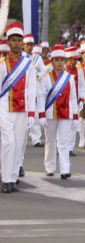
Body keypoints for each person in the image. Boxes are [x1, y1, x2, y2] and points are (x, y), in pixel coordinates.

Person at [0, 23, 38, 193]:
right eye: (13, 40)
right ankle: (6, 179)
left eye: (19, 40)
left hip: (22, 110)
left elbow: (31, 89)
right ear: (8, 43)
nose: (16, 43)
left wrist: (32, 113)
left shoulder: (28, 65)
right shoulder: (1, 64)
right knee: (8, 142)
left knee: (18, 144)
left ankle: (13, 177)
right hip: (5, 108)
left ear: (22, 43)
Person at [40, 45, 79, 179]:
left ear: (65, 61)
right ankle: (50, 168)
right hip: (50, 113)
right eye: (56, 60)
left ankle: (64, 169)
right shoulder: (46, 77)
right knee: (50, 141)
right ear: (52, 61)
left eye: (62, 60)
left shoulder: (69, 78)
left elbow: (74, 98)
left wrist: (75, 116)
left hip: (66, 114)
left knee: (64, 141)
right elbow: (42, 97)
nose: (59, 63)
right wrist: (41, 114)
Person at [23, 33, 47, 148]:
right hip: (22, 89)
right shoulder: (20, 57)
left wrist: (36, 75)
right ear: (23, 45)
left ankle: (36, 139)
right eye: (28, 44)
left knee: (35, 113)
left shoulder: (37, 58)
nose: (30, 47)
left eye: (31, 44)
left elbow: (44, 71)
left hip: (35, 89)